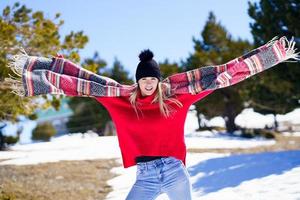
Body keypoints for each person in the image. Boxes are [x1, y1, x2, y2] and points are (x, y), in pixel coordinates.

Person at [4, 36, 299, 199]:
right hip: (144, 176)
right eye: (144, 79)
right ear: (138, 80)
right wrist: (40, 76)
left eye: (152, 78)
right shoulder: (119, 99)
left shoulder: (177, 97)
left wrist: (269, 57)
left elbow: (222, 76)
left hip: (174, 171)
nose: (148, 82)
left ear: (158, 80)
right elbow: (81, 82)